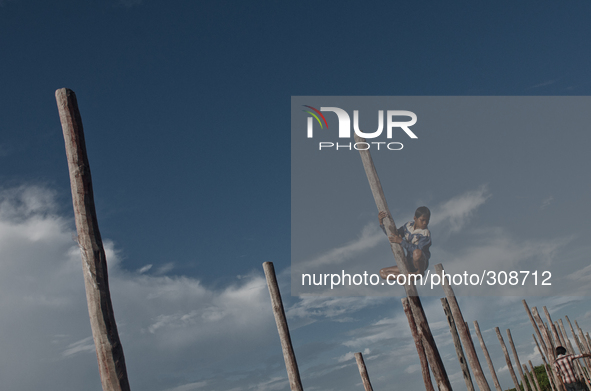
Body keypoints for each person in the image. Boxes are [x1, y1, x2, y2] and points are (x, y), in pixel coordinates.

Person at [378, 206, 431, 279]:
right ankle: (402, 277)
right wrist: (381, 223)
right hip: (409, 263)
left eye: (427, 220)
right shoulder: (408, 226)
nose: (425, 223)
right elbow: (393, 235)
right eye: (422, 220)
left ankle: (419, 273)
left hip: (419, 263)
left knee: (417, 253)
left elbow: (419, 250)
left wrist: (402, 242)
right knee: (382, 272)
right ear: (415, 218)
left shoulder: (425, 234)